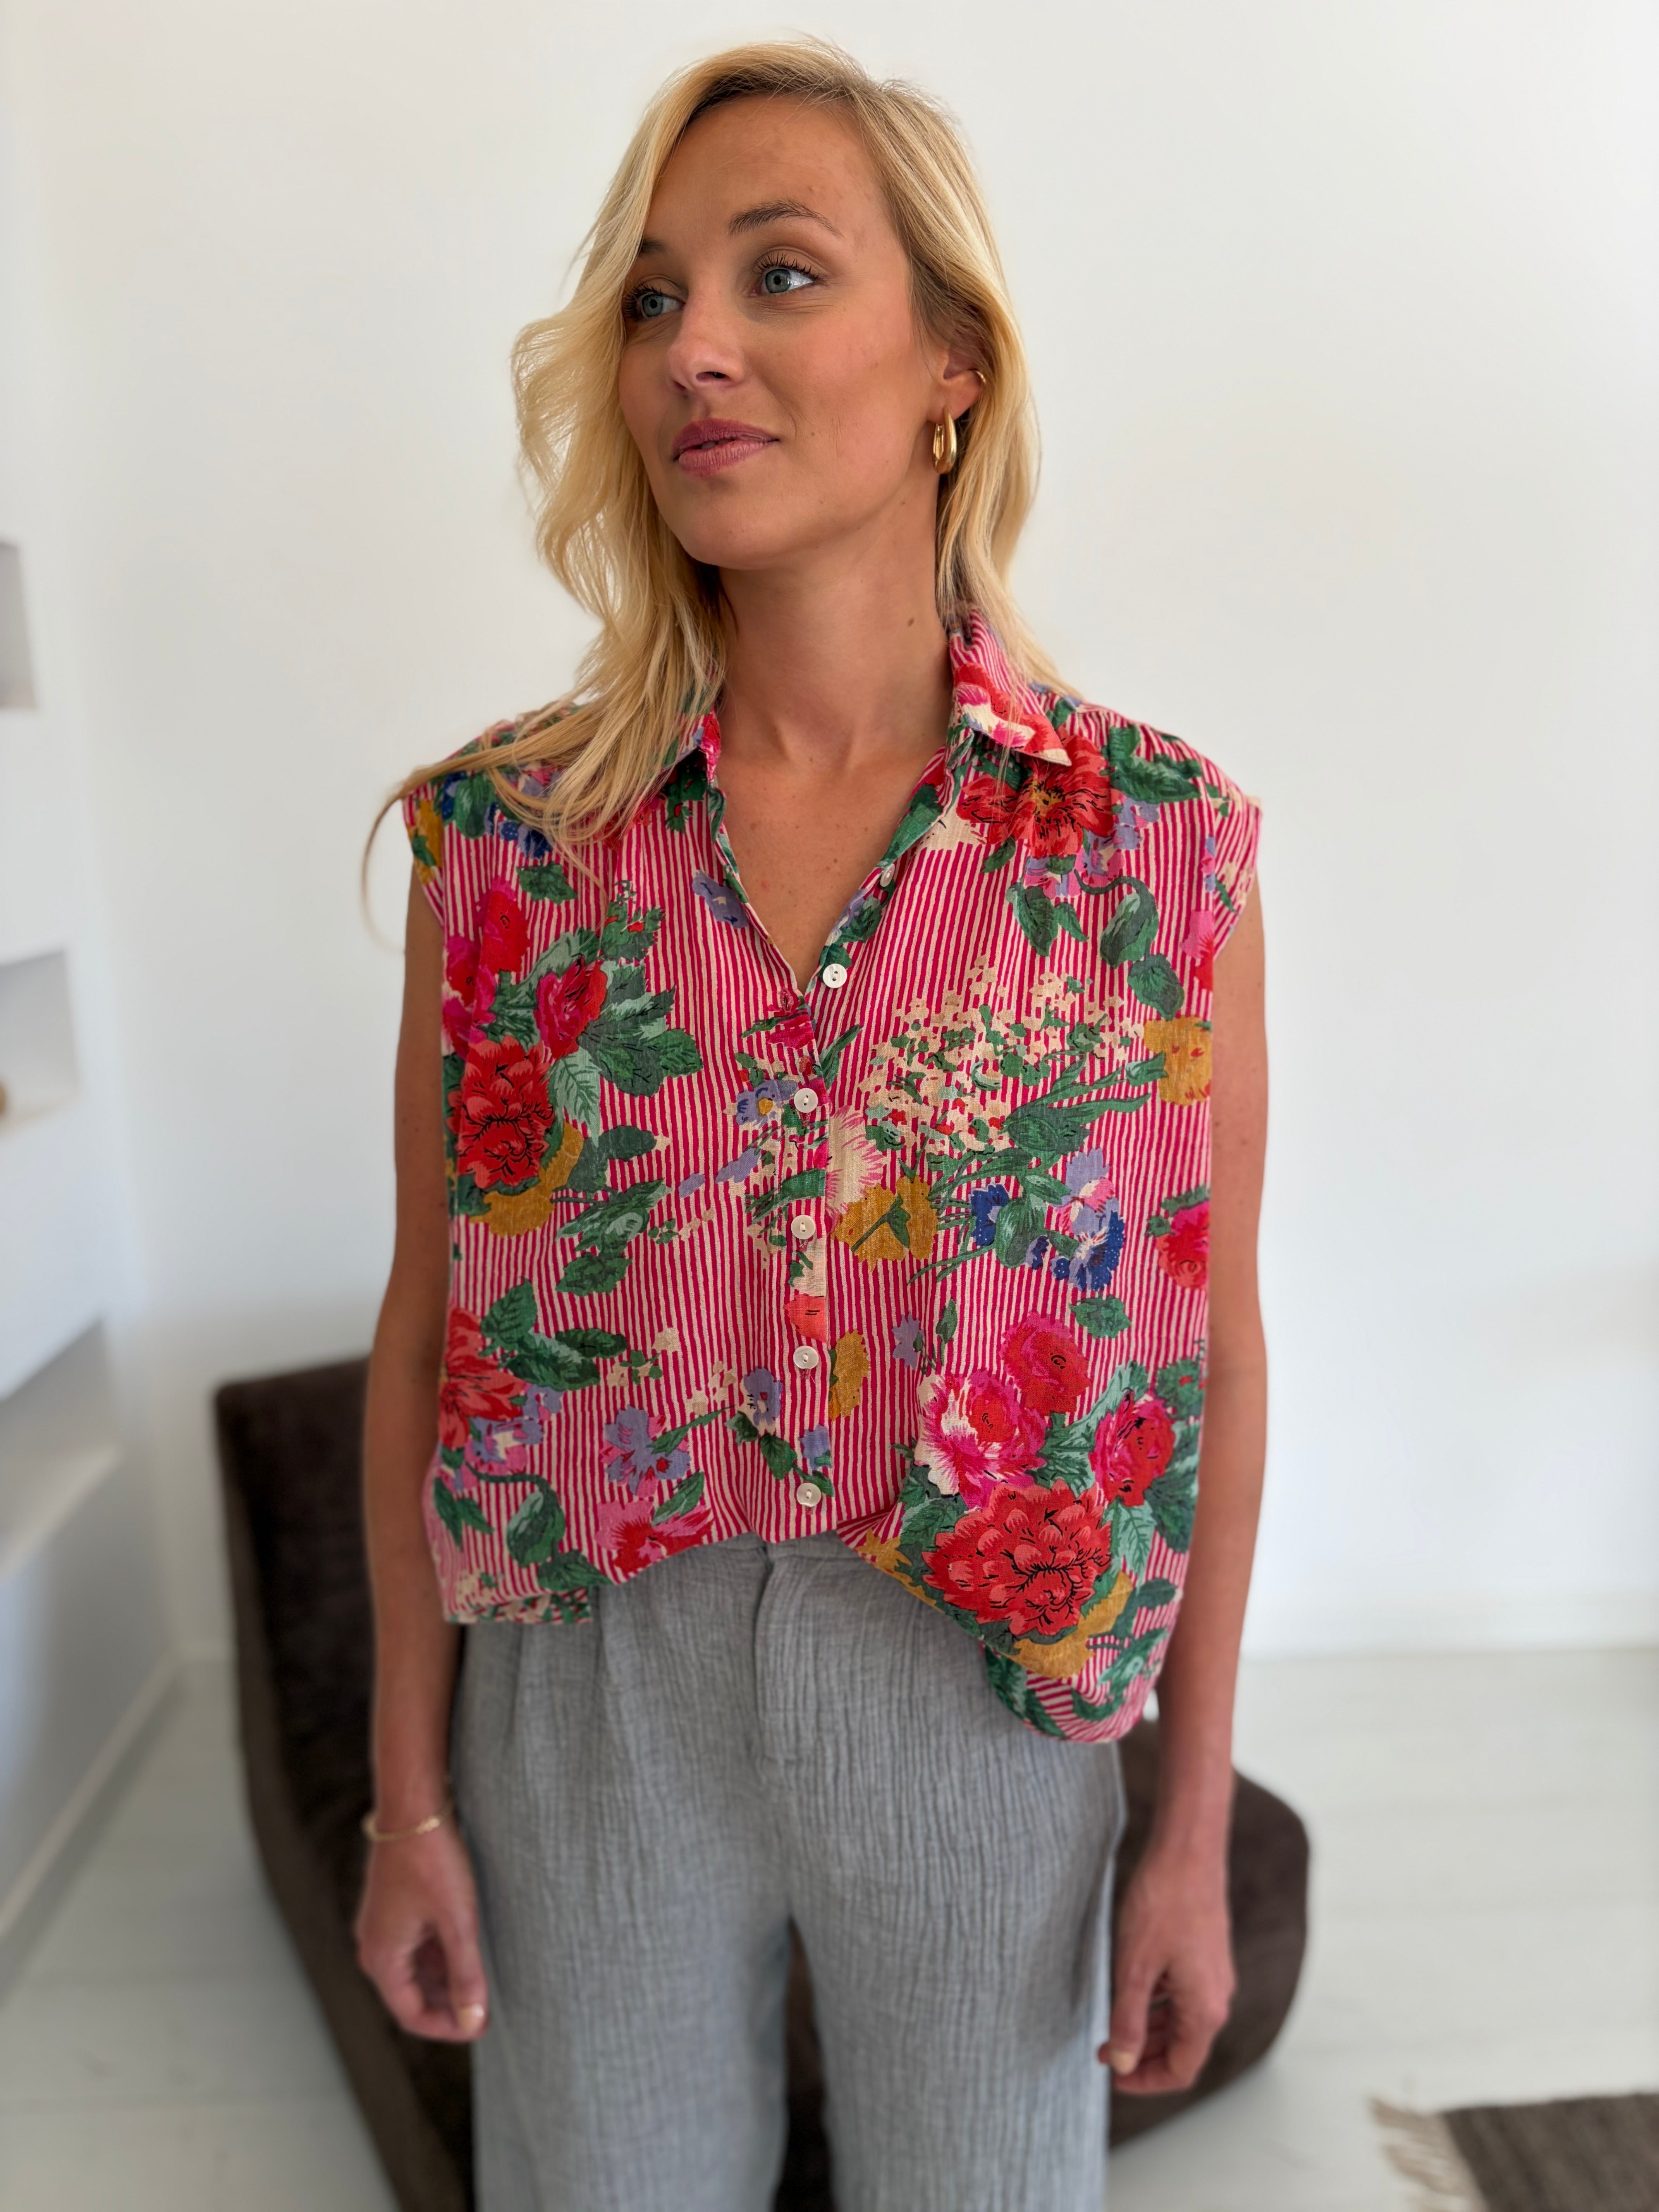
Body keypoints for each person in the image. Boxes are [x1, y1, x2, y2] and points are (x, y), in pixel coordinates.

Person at [354, 37, 1267, 2212]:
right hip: (589, 1709)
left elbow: (1210, 1359)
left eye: (781, 275)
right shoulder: (511, 842)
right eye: (655, 298)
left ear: (953, 361)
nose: (696, 350)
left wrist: (1191, 1829)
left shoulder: (1151, 846)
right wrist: (409, 1799)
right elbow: (428, 1326)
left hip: (979, 1714)